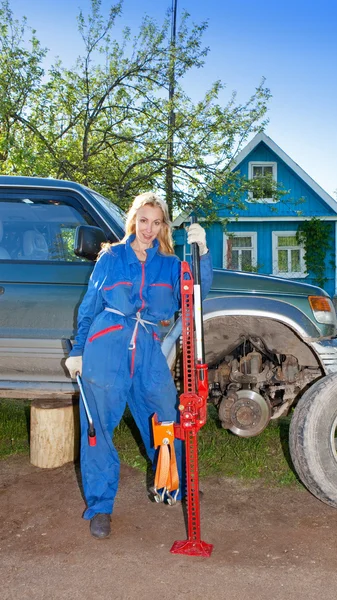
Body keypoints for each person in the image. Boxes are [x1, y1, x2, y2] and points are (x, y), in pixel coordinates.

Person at [65, 192, 213, 540]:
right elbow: (89, 307)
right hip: (106, 349)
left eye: (156, 222)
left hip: (148, 351)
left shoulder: (171, 263)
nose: (148, 229)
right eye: (143, 220)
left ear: (163, 226)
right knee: (97, 429)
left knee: (166, 418)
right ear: (134, 221)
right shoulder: (111, 256)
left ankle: (176, 485)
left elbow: (196, 293)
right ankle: (100, 507)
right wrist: (78, 350)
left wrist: (202, 254)